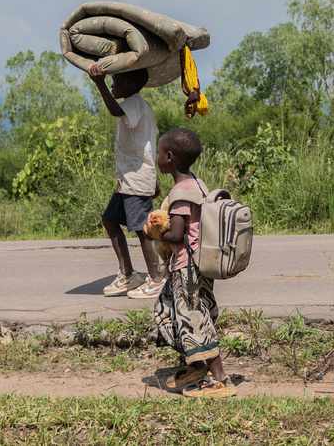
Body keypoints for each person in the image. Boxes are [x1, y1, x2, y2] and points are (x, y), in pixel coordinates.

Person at [151, 127, 237, 398]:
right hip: (198, 264)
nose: (156, 157)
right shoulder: (196, 183)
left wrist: (151, 231)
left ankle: (221, 379)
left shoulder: (180, 194)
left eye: (158, 152)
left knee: (193, 319)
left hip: (187, 266)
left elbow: (176, 235)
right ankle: (196, 365)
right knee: (167, 309)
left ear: (169, 156)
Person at [88, 64, 164, 299]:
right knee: (110, 219)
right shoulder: (141, 107)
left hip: (136, 179)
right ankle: (128, 274)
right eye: (110, 80)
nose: (112, 83)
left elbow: (113, 110)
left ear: (130, 84)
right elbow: (148, 144)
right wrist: (155, 179)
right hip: (130, 179)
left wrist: (99, 83)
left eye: (116, 80)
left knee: (143, 230)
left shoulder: (134, 104)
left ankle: (157, 280)